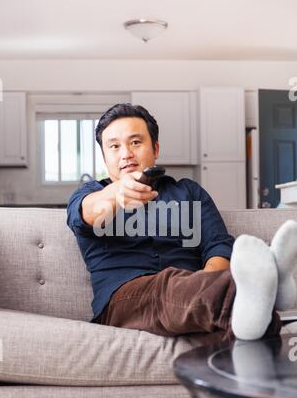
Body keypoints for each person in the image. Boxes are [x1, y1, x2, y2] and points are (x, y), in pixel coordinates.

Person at [67, 103, 297, 340]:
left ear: (155, 148)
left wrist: (204, 285)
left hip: (192, 300)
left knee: (239, 330)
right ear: (105, 157)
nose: (125, 153)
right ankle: (272, 286)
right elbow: (84, 213)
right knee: (168, 284)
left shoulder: (189, 192)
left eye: (135, 142)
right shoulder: (91, 195)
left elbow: (217, 247)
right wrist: (116, 193)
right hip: (123, 300)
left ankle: (258, 303)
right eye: (114, 146)